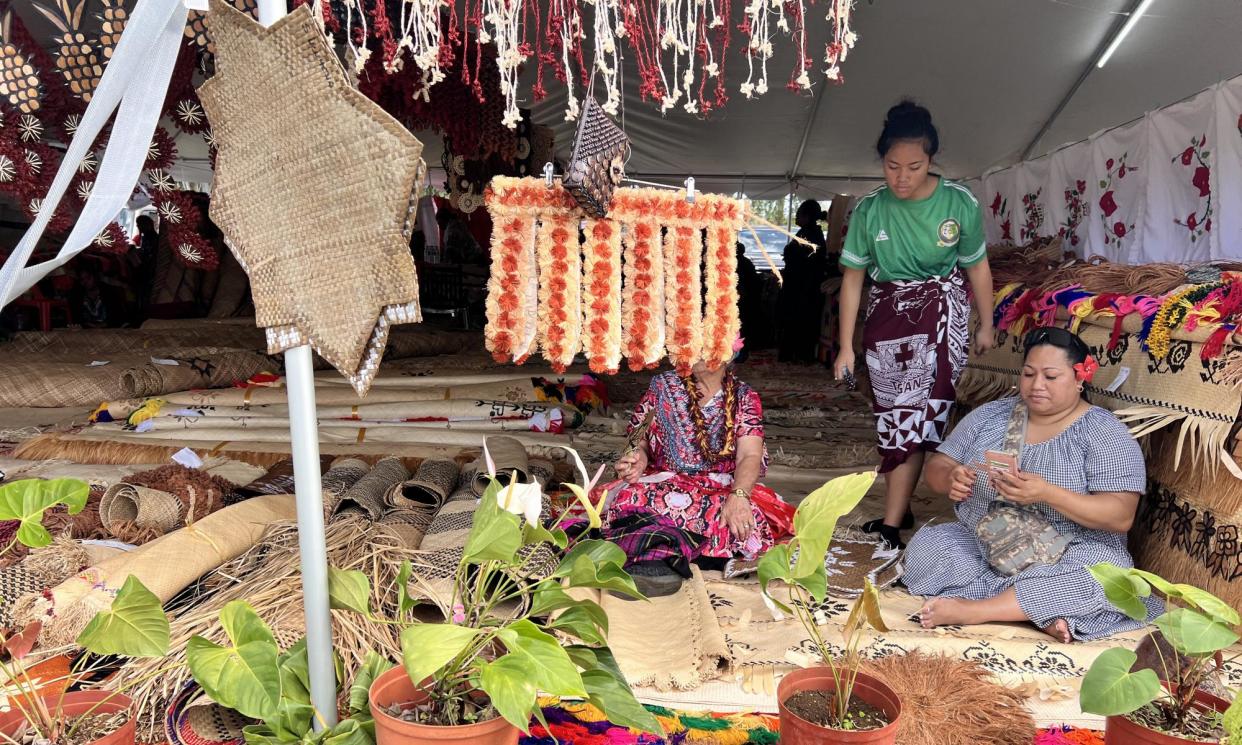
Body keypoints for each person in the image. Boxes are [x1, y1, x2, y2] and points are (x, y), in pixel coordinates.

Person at [904, 327, 1161, 642]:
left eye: (1051, 377)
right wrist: (950, 479)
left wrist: (1047, 493)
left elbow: (1120, 515)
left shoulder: (1104, 433)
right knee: (928, 547)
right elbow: (938, 466)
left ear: (1080, 378)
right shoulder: (992, 416)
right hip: (991, 546)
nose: (1036, 385)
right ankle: (1038, 609)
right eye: (1028, 374)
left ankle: (977, 610)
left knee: (1106, 576)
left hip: (1070, 552)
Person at [833, 100, 995, 550]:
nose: (902, 177)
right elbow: (853, 280)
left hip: (942, 317)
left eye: (915, 166)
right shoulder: (869, 210)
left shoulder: (958, 202)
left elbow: (977, 268)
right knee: (892, 416)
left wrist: (987, 323)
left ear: (932, 161)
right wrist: (846, 346)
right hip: (886, 318)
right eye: (892, 166)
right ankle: (899, 507)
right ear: (881, 161)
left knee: (923, 413)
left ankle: (890, 522)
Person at [599, 342, 794, 596]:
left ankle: (660, 557)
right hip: (664, 480)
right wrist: (638, 458)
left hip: (719, 487)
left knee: (723, 516)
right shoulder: (662, 386)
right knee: (632, 498)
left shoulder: (744, 397)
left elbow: (750, 454)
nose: (694, 352)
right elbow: (639, 437)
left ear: (726, 355)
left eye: (706, 346)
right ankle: (654, 561)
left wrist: (739, 496)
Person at [777, 199, 828, 363]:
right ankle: (798, 354)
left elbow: (804, 261)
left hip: (803, 286)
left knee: (800, 320)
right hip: (802, 285)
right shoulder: (809, 233)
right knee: (801, 320)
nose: (796, 217)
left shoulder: (810, 234)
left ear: (806, 216)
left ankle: (799, 354)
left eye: (798, 214)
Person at [735, 242, 762, 363]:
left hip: (740, 300)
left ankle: (740, 353)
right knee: (743, 327)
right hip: (744, 300)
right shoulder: (746, 263)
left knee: (740, 327)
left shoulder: (737, 263)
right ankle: (741, 353)